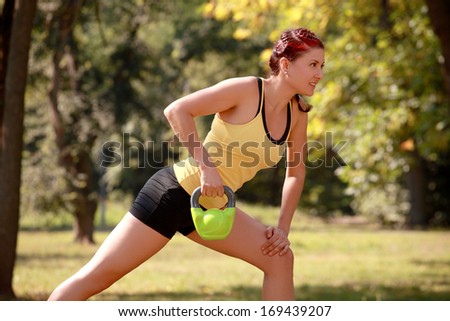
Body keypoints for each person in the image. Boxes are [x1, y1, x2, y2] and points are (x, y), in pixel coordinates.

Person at [48, 27, 325, 301]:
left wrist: (282, 230)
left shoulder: (297, 113)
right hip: (173, 193)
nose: (319, 74)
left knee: (279, 258)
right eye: (313, 64)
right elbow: (177, 110)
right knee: (97, 277)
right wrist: (207, 168)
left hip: (213, 207)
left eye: (322, 66)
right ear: (286, 65)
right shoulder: (247, 90)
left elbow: (295, 173)